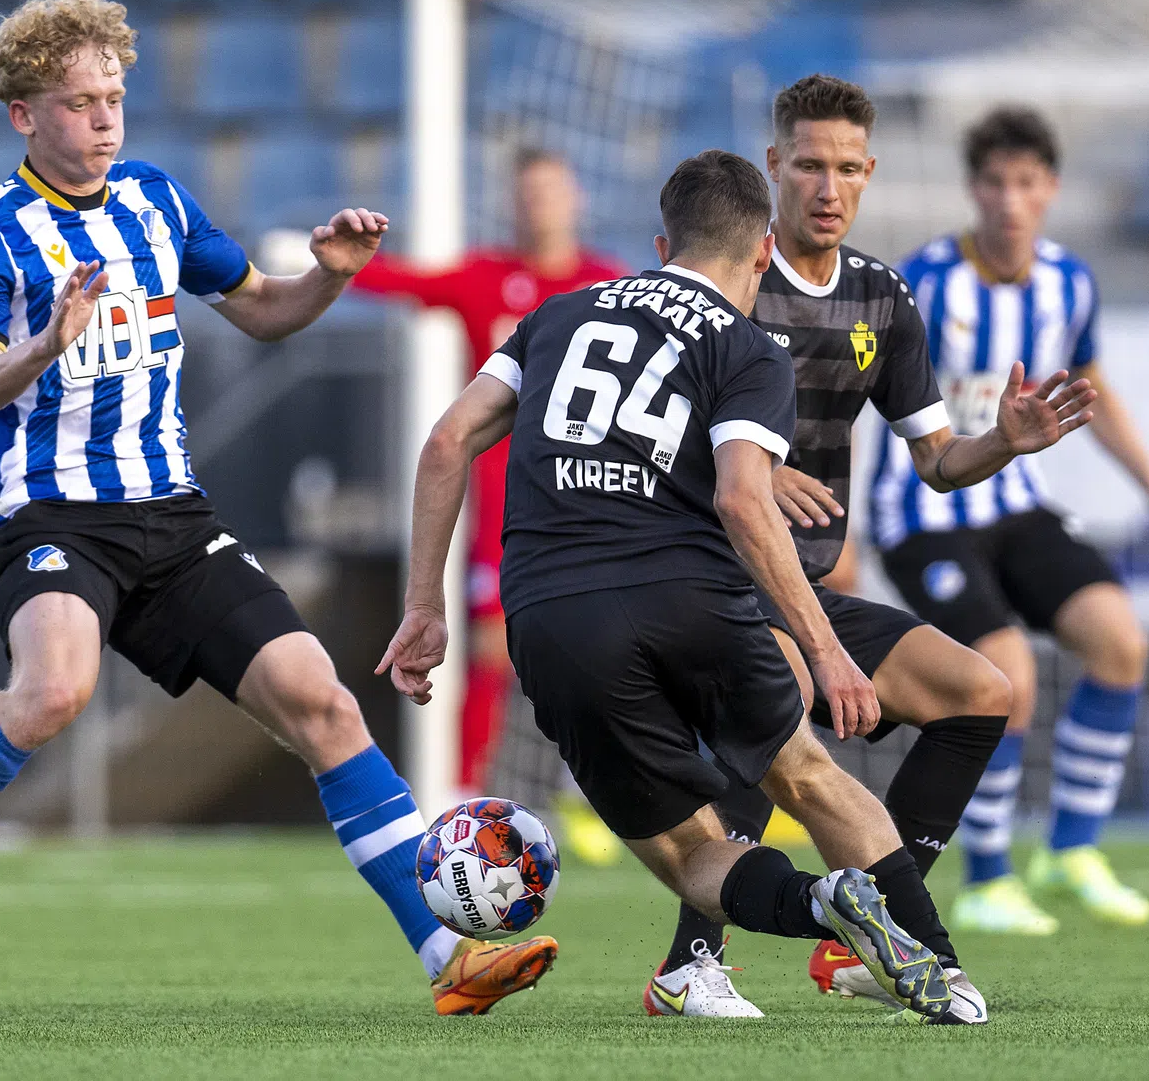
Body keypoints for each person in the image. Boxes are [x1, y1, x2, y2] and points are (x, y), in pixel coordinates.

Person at [0, 0, 556, 1020]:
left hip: (172, 515)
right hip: (51, 513)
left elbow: (262, 311)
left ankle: (447, 955)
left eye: (114, 96)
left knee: (325, 701)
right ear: (25, 113)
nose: (106, 118)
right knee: (54, 690)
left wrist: (329, 278)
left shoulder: (157, 200)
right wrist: (41, 346)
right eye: (79, 102)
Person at [381, 149, 1078, 1024]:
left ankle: (818, 906)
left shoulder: (559, 313)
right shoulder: (748, 348)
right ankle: (938, 969)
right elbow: (744, 499)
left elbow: (448, 443)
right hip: (690, 593)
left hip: (554, 614)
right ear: (760, 253)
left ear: (663, 240)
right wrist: (827, 655)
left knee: (688, 854)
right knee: (812, 776)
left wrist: (422, 607)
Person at [643, 76, 1097, 1018]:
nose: (827, 186)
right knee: (784, 696)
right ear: (774, 167)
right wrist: (757, 479)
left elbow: (936, 458)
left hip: (802, 591)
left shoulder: (881, 298)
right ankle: (690, 965)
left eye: (848, 168)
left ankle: (866, 935)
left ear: (869, 174)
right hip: (707, 586)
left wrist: (1002, 442)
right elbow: (657, 432)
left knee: (983, 693)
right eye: (808, 163)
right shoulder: (726, 285)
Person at [873, 106, 1149, 934]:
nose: (1009, 200)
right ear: (973, 189)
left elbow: (1091, 389)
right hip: (923, 509)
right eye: (994, 182)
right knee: (1007, 671)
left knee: (1120, 640)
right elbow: (858, 403)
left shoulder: (1069, 282)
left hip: (1015, 504)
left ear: (1051, 189)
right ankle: (987, 878)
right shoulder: (923, 280)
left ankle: (1070, 852)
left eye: (1026, 182)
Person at [355, 151, 625, 799]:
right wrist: (334, 265)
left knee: (605, 649)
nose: (539, 205)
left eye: (551, 192)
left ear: (576, 200)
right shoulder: (488, 278)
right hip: (506, 502)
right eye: (527, 194)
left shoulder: (608, 285)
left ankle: (602, 792)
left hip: (594, 496)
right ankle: (461, 794)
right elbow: (412, 285)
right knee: (490, 649)